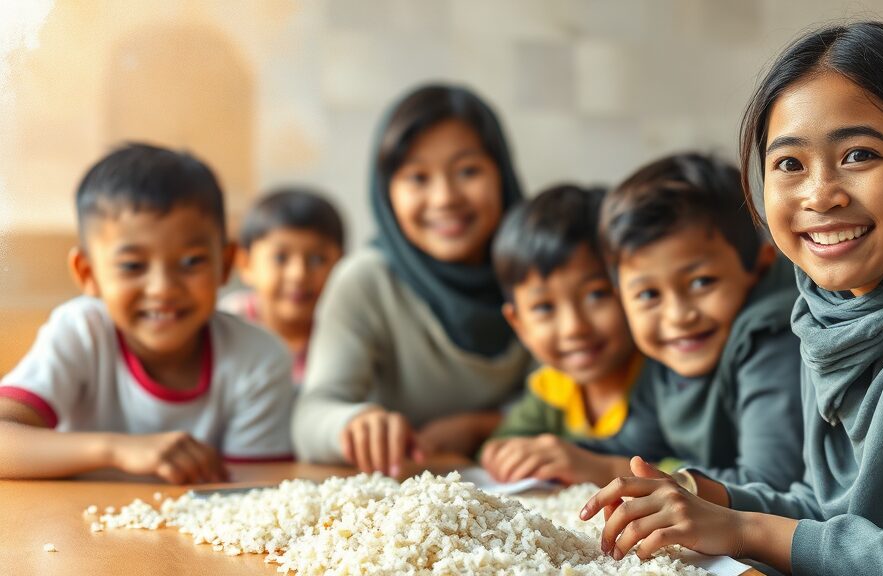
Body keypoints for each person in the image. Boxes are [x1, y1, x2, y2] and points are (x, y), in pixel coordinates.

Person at [581, 21, 883, 575]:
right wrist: (700, 497)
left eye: (859, 155)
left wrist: (741, 529)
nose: (820, 195)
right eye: (789, 164)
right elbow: (832, 516)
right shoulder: (825, 311)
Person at [0, 143, 295, 484]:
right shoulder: (81, 332)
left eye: (191, 262)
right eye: (132, 265)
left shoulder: (258, 359)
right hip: (74, 533)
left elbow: (253, 493)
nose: (162, 288)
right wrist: (116, 450)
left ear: (224, 264)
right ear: (87, 273)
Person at [292, 84, 532, 477]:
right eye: (418, 178)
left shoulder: (535, 274)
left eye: (468, 171)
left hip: (519, 512)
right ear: (387, 193)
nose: (444, 198)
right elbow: (311, 417)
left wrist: (478, 426)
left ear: (502, 176)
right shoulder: (366, 281)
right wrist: (353, 424)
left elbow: (570, 405)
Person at [581, 152, 803, 490]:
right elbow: (630, 448)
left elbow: (769, 482)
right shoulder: (669, 354)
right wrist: (559, 454)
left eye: (702, 282)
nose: (678, 316)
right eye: (648, 295)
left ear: (759, 267)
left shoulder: (770, 336)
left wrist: (607, 469)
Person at [480, 183, 645, 486]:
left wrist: (602, 467)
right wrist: (502, 453)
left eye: (597, 295)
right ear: (518, 324)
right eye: (544, 307)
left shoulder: (663, 383)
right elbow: (502, 443)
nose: (574, 327)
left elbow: (701, 470)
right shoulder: (552, 388)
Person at [221, 187, 345, 386]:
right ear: (245, 263)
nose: (298, 274)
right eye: (280, 258)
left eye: (316, 259)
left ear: (342, 265)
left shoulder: (347, 331)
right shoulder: (226, 325)